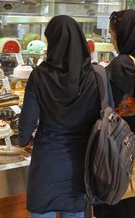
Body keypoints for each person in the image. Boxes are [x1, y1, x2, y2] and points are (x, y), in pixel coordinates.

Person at [18, 15, 101, 218]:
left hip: (48, 157)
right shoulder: (95, 76)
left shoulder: (39, 75)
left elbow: (28, 120)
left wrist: (23, 139)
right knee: (74, 211)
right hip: (81, 159)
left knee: (42, 210)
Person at [93, 9, 135, 218]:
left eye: (113, 35)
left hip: (117, 136)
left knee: (112, 193)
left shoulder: (122, 64)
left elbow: (105, 103)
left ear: (126, 35)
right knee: (133, 190)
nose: (112, 41)